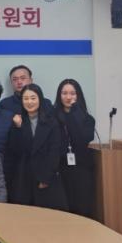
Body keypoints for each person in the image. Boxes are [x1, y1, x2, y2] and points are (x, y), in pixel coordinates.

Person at [4, 84, 68, 211]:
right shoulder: (18, 121)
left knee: (48, 216)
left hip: (46, 176)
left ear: (40, 99)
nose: (29, 102)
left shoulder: (51, 122)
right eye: (26, 98)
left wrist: (46, 177)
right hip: (23, 176)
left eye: (33, 98)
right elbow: (14, 149)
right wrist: (18, 128)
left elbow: (54, 151)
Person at [54, 79, 96, 217]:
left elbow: (83, 138)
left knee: (82, 208)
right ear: (59, 96)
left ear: (78, 95)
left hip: (81, 168)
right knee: (62, 210)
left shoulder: (87, 118)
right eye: (64, 93)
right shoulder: (52, 116)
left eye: (72, 93)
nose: (68, 97)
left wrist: (74, 113)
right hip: (59, 168)